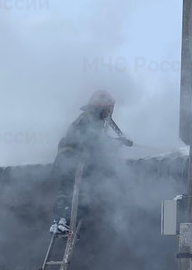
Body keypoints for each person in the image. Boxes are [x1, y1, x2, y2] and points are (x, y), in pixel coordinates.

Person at [50, 90, 132, 236]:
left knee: (66, 191)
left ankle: (59, 223)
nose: (109, 113)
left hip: (65, 159)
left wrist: (118, 142)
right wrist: (117, 142)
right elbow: (95, 140)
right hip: (74, 160)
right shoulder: (89, 119)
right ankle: (64, 222)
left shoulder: (87, 118)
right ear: (103, 107)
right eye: (108, 109)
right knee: (79, 194)